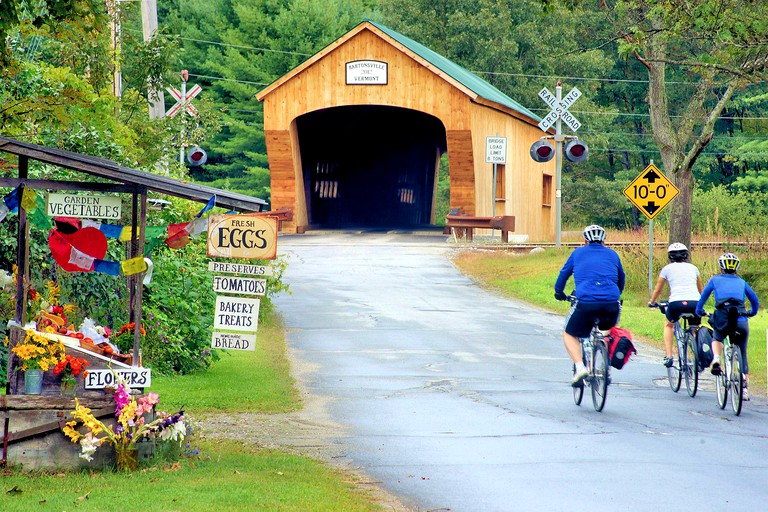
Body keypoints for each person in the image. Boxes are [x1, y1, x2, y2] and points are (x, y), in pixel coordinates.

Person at [554, 225, 625, 386]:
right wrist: (615, 294)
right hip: (611, 303)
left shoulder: (577, 253)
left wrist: (559, 292)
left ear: (585, 240)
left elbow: (563, 274)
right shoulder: (613, 255)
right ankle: (605, 369)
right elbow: (621, 278)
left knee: (569, 333)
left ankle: (580, 368)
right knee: (606, 332)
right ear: (604, 240)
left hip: (586, 303)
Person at [695, 253, 759, 401]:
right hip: (741, 319)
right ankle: (744, 388)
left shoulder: (714, 280)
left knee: (717, 337)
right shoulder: (742, 282)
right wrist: (752, 312)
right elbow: (754, 299)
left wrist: (700, 311)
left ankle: (716, 358)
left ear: (721, 267)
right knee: (742, 352)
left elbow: (702, 298)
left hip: (722, 318)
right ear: (736, 268)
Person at [648, 243, 703, 368]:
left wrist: (652, 302)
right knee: (694, 328)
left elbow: (658, 289)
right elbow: (701, 290)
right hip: (695, 303)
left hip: (676, 303)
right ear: (686, 255)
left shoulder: (667, 269)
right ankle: (696, 356)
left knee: (669, 325)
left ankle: (669, 356)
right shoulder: (694, 268)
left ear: (670, 256)